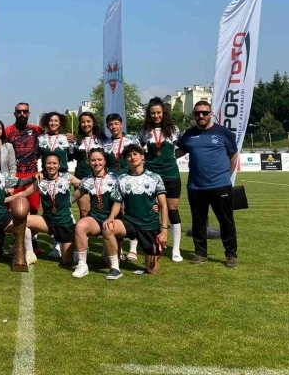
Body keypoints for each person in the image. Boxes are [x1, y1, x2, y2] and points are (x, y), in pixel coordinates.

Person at [176, 100, 239, 268]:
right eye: (197, 113)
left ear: (211, 114)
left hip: (220, 185)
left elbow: (233, 155)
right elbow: (178, 152)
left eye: (204, 112)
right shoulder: (189, 134)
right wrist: (158, 156)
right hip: (196, 186)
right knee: (198, 222)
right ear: (194, 115)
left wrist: (226, 176)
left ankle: (231, 255)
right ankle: (200, 253)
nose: (201, 115)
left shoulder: (223, 132)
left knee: (226, 221)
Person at [102, 145, 169, 279]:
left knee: (152, 270)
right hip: (130, 222)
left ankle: (152, 253)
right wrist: (111, 216)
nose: (132, 157)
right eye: (128, 156)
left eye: (135, 154)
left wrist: (164, 230)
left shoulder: (154, 177)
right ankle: (115, 269)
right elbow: (117, 203)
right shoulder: (121, 179)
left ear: (142, 156)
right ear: (126, 160)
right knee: (108, 228)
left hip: (149, 225)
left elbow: (163, 205)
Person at [138, 97, 184, 262]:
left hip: (171, 174)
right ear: (149, 115)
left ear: (164, 113)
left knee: (172, 210)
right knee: (153, 210)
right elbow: (138, 150)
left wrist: (171, 158)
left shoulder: (174, 130)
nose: (156, 116)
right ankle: (153, 245)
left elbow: (184, 147)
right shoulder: (144, 131)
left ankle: (176, 249)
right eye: (153, 113)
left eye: (159, 112)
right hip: (152, 176)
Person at [25, 153, 82, 265]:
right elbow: (24, 193)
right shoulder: (41, 180)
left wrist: (72, 199)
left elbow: (85, 185)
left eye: (54, 163)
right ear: (44, 165)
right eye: (48, 163)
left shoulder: (67, 177)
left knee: (67, 262)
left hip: (65, 223)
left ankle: (78, 254)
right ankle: (29, 253)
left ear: (59, 165)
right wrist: (5, 199)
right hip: (48, 221)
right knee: (24, 221)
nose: (51, 166)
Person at [71, 148, 118, 278]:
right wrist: (61, 203)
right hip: (95, 218)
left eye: (99, 160)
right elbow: (74, 197)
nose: (96, 163)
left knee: (110, 264)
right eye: (93, 160)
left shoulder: (115, 178)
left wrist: (153, 204)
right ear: (89, 162)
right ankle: (82, 265)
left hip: (113, 219)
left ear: (105, 161)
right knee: (80, 226)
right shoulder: (87, 180)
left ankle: (109, 253)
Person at [6, 102, 43, 253]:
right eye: (19, 111)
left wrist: (68, 137)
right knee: (15, 209)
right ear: (15, 113)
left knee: (33, 209)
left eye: (25, 111)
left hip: (32, 174)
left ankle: (33, 241)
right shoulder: (8, 131)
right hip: (15, 175)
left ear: (28, 113)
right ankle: (18, 240)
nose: (22, 114)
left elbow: (49, 141)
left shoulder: (37, 130)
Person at [103, 112, 140, 261]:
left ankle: (133, 249)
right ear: (107, 127)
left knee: (132, 211)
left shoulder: (131, 140)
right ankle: (119, 249)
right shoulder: (105, 143)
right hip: (112, 182)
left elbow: (138, 159)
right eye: (111, 125)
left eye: (116, 124)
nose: (114, 127)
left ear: (121, 125)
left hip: (129, 179)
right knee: (116, 213)